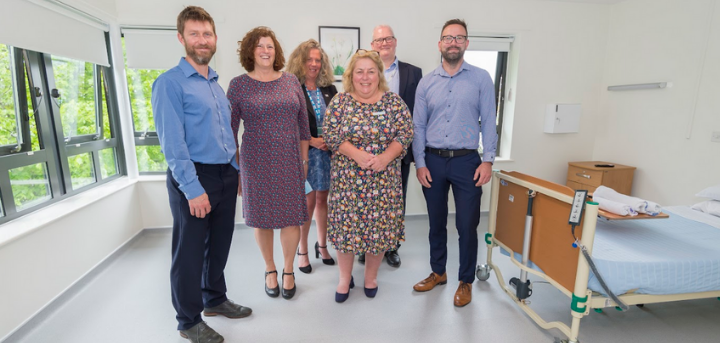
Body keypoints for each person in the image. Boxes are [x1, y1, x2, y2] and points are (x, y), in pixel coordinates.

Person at [152, 6, 251, 343]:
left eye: (207, 33)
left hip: (225, 174)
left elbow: (225, 133)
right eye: (194, 34)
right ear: (181, 38)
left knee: (219, 246)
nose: (201, 40)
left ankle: (215, 299)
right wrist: (192, 188)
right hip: (194, 177)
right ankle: (188, 320)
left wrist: (235, 171)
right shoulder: (170, 83)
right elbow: (173, 143)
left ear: (215, 38)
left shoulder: (213, 82)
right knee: (190, 252)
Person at [411, 19, 498, 308]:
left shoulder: (481, 79)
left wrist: (488, 162)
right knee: (436, 223)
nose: (453, 42)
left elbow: (489, 123)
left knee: (466, 224)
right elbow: (418, 126)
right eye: (448, 37)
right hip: (433, 162)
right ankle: (438, 272)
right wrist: (420, 163)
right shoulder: (427, 82)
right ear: (440, 44)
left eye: (459, 37)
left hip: (467, 163)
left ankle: (465, 280)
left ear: (466, 44)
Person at [227, 27, 310, 300]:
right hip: (255, 163)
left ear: (276, 51)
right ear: (251, 51)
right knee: (261, 220)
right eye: (260, 46)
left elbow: (303, 126)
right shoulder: (238, 85)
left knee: (291, 218)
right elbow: (230, 132)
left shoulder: (290, 82)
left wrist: (304, 159)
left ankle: (288, 270)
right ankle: (270, 268)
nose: (266, 50)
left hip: (289, 161)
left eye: (270, 46)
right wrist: (237, 171)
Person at [324, 50, 414, 302]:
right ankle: (344, 278)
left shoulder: (394, 102)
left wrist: (385, 157)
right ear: (351, 75)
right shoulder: (340, 102)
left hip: (383, 184)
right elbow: (331, 134)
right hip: (347, 184)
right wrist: (356, 154)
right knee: (346, 231)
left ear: (379, 74)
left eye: (371, 71)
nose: (365, 77)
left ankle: (371, 277)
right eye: (359, 71)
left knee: (379, 230)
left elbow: (405, 134)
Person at [357, 25, 423, 268]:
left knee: (396, 201)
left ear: (395, 41)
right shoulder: (363, 71)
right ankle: (365, 246)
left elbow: (418, 114)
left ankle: (391, 246)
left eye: (387, 38)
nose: (383, 43)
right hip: (365, 151)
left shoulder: (413, 73)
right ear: (372, 45)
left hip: (398, 151)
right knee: (364, 201)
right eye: (378, 40)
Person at [286, 39, 338, 273]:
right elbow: (289, 123)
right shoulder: (291, 87)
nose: (314, 64)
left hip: (326, 154)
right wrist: (312, 140)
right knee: (306, 204)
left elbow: (337, 119)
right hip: (304, 153)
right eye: (310, 60)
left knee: (322, 200)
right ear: (300, 61)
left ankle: (323, 245)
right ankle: (303, 250)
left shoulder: (330, 89)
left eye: (318, 60)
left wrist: (329, 140)